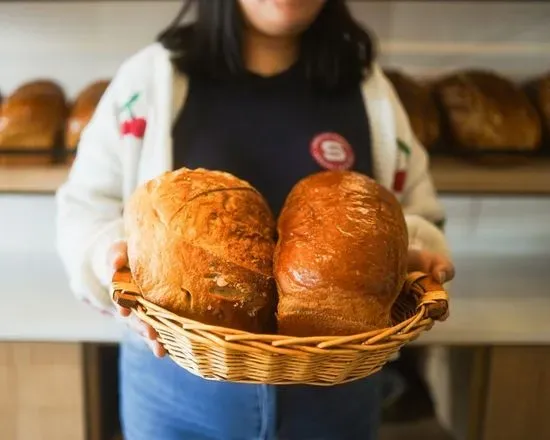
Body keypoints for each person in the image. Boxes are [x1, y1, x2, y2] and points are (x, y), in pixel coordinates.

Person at [56, 0, 455, 439]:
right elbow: (86, 207)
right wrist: (109, 258)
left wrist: (409, 256)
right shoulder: (150, 81)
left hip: (337, 387)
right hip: (176, 388)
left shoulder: (368, 88)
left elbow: (412, 209)